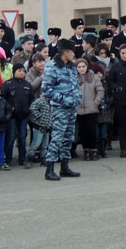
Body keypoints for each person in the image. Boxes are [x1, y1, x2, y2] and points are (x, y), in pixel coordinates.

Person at [41, 38, 82, 181]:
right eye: (72, 52)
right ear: (66, 52)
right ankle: (50, 169)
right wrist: (64, 99)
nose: (74, 55)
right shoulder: (52, 67)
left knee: (68, 138)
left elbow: (74, 84)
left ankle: (65, 167)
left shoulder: (70, 66)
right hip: (60, 108)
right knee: (57, 137)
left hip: (72, 107)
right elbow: (46, 89)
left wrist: (77, 97)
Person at [2, 63, 34, 168]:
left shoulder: (27, 85)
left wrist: (28, 109)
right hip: (12, 116)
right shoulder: (7, 84)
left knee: (22, 137)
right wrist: (9, 107)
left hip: (24, 115)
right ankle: (8, 159)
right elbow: (3, 99)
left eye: (23, 71)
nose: (21, 72)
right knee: (11, 137)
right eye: (19, 70)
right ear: (14, 71)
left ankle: (22, 158)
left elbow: (31, 99)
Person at [76, 58, 104, 160]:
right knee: (83, 132)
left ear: (87, 67)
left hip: (91, 109)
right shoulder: (74, 78)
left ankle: (94, 150)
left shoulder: (94, 77)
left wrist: (95, 103)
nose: (82, 69)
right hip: (79, 109)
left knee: (91, 130)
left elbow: (100, 91)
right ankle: (86, 151)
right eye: (79, 67)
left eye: (83, 66)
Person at [26, 93, 52, 167]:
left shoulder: (52, 103)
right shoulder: (40, 101)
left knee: (45, 145)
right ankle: (28, 159)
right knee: (35, 144)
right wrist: (39, 116)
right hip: (39, 126)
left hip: (47, 127)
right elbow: (32, 107)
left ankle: (43, 159)